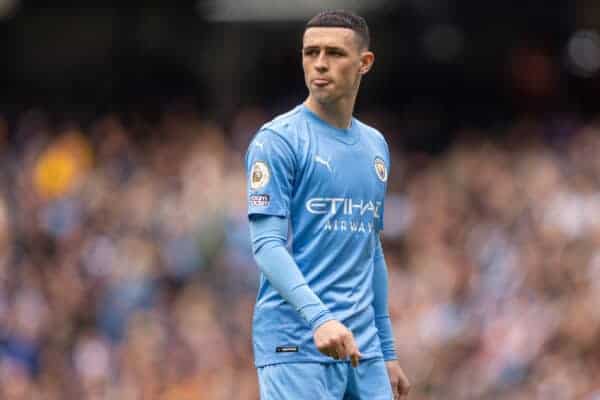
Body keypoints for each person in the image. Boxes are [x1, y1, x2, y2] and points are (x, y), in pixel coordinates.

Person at [245, 9, 411, 399]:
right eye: (310, 52)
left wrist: (386, 351)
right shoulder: (278, 141)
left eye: (334, 53)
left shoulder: (375, 146)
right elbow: (266, 245)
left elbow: (370, 250)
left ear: (364, 63)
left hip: (362, 346)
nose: (319, 63)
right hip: (296, 342)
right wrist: (320, 319)